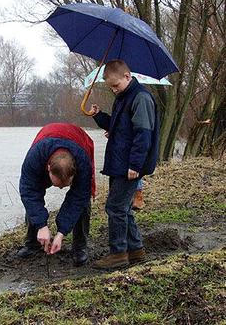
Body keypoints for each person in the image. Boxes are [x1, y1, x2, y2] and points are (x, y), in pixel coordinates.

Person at [89, 59, 159, 270]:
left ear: (127, 77)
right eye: (110, 87)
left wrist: (135, 165)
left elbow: (143, 135)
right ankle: (135, 250)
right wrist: (98, 116)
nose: (113, 89)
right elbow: (118, 126)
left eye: (116, 85)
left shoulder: (141, 98)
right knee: (124, 208)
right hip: (119, 161)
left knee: (115, 207)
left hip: (129, 164)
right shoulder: (123, 96)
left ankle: (118, 253)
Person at [17, 123, 95, 267]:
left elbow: (78, 198)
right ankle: (32, 242)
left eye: (64, 185)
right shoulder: (35, 157)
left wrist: (61, 233)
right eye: (58, 184)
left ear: (75, 172)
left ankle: (80, 247)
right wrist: (41, 226)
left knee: (83, 200)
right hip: (46, 141)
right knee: (33, 198)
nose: (59, 188)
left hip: (79, 141)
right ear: (48, 169)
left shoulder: (83, 163)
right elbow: (29, 192)